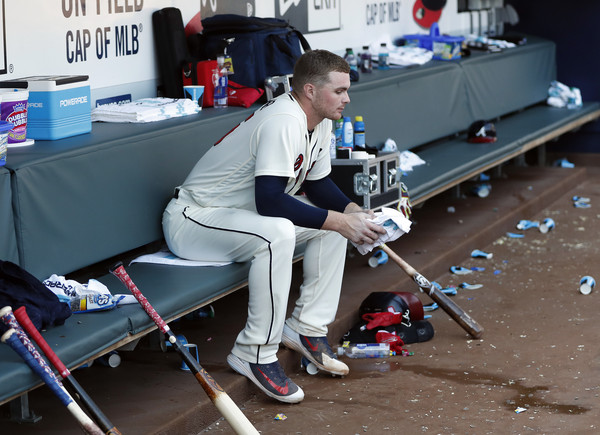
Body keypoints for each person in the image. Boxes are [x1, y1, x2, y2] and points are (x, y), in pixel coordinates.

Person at [162, 49, 386, 403]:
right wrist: (341, 221)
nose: (347, 98)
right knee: (278, 232)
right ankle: (254, 352)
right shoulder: (284, 119)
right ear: (310, 90)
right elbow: (270, 201)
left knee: (332, 224)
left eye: (347, 90)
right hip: (196, 218)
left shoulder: (321, 120)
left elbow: (317, 184)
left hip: (238, 217)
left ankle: (306, 328)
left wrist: (353, 211)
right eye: (339, 90)